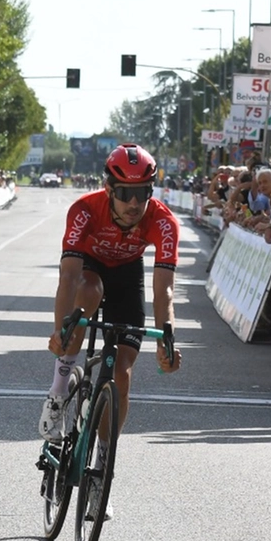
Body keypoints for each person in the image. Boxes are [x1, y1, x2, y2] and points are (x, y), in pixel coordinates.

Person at [39, 144, 184, 513]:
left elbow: (164, 287)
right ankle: (58, 392)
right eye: (125, 194)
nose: (135, 204)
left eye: (143, 194)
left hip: (127, 278)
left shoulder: (164, 221)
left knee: (121, 370)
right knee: (88, 290)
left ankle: (102, 467)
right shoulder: (85, 210)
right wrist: (61, 332)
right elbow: (68, 277)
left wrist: (166, 335)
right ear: (109, 189)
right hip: (89, 270)